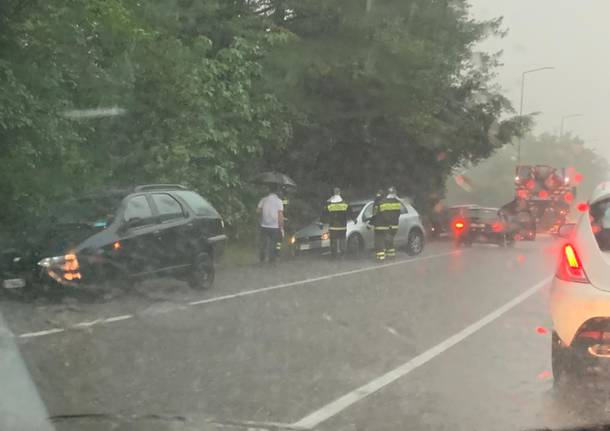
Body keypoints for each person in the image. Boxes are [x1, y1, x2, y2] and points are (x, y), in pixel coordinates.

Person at [321, 187, 352, 259]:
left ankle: (334, 256)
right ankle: (342, 255)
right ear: (339, 192)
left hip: (333, 227)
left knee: (333, 241)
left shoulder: (329, 204)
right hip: (342, 226)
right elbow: (350, 212)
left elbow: (324, 213)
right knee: (342, 241)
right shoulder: (345, 203)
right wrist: (353, 219)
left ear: (333, 193)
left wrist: (321, 221)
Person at [257, 186, 284, 264]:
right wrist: (281, 227)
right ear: (276, 192)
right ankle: (272, 260)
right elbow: (280, 215)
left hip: (264, 225)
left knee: (263, 243)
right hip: (274, 226)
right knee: (273, 243)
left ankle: (262, 258)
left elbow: (258, 211)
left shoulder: (263, 199)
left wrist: (264, 212)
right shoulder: (279, 201)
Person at [374, 186, 402, 260]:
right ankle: (391, 255)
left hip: (384, 225)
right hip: (394, 226)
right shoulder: (398, 202)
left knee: (379, 241)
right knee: (389, 240)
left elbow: (379, 214)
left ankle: (381, 257)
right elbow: (398, 213)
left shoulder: (382, 202)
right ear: (395, 193)